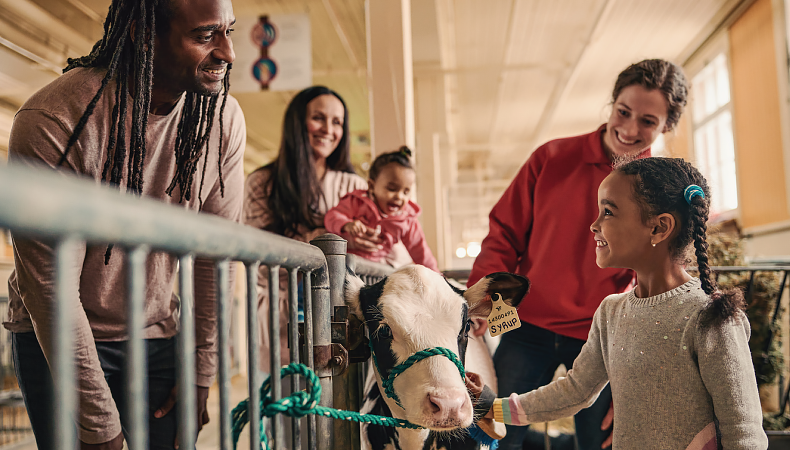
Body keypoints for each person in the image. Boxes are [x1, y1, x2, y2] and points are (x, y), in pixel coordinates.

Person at [5, 0, 245, 448]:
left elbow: (218, 256)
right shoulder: (55, 121)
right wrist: (100, 428)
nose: (228, 52)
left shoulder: (221, 120)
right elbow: (53, 291)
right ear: (142, 32)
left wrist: (201, 371)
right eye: (205, 35)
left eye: (229, 30)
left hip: (154, 332)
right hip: (56, 338)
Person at [467, 59, 689, 450]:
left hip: (604, 336)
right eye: (623, 112)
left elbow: (659, 277)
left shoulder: (660, 187)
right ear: (611, 104)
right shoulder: (550, 158)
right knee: (494, 433)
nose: (630, 129)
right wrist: (486, 299)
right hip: (525, 327)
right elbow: (504, 233)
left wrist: (640, 371)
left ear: (667, 126)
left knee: (603, 441)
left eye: (648, 121)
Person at [480, 157, 768, 448]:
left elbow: (743, 432)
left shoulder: (710, 317)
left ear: (659, 228)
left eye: (608, 212)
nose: (594, 225)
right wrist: (494, 408)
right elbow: (575, 391)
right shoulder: (610, 312)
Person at [243, 85, 379, 374]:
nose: (328, 129)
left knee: (342, 411)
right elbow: (262, 260)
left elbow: (374, 254)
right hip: (283, 317)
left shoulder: (354, 186)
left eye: (337, 122)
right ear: (297, 122)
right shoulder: (262, 183)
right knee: (287, 406)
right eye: (319, 118)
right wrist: (333, 239)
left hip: (344, 316)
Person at [324, 146, 439, 272]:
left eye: (406, 192)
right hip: (340, 266)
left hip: (371, 272)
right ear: (371, 186)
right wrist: (346, 224)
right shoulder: (357, 201)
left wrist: (439, 279)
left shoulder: (406, 219)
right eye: (392, 189)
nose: (399, 197)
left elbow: (421, 251)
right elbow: (332, 216)